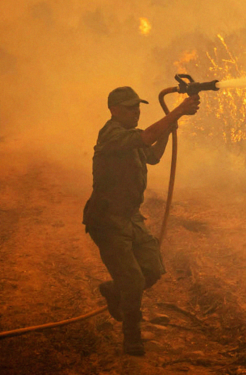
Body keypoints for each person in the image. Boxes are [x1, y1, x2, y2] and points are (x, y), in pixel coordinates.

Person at [83, 86, 200, 356]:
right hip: (108, 220)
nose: (136, 112)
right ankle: (132, 339)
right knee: (134, 281)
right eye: (129, 108)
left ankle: (114, 291)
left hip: (129, 217)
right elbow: (147, 136)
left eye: (138, 107)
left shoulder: (130, 140)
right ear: (114, 110)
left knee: (152, 268)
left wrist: (169, 130)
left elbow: (154, 156)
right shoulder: (112, 135)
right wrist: (179, 111)